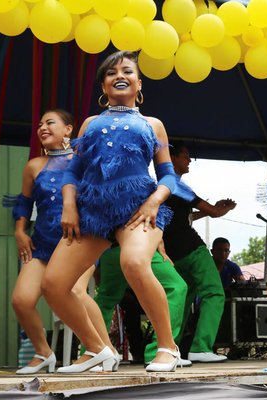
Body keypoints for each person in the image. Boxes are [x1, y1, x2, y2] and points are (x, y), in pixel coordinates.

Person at [41, 51, 180, 373]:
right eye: (111, 72)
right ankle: (97, 350)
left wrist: (154, 201)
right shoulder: (91, 123)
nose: (120, 74)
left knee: (133, 262)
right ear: (103, 85)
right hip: (93, 211)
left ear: (139, 83)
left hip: (140, 209)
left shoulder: (152, 124)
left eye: (127, 70)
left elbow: (169, 175)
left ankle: (168, 347)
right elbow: (73, 172)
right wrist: (70, 205)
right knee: (54, 284)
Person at [12, 109, 119, 374]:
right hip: (42, 244)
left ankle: (106, 350)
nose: (42, 128)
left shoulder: (84, 162)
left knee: (76, 292)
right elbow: (24, 203)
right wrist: (19, 231)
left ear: (69, 129)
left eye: (50, 123)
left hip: (77, 242)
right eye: (39, 124)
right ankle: (44, 353)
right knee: (21, 300)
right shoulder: (33, 166)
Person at [162, 142, 236, 363]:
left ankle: (168, 348)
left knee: (181, 298)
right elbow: (213, 212)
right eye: (185, 156)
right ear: (172, 158)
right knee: (214, 292)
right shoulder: (175, 183)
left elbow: (183, 219)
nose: (189, 160)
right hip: (192, 249)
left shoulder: (160, 185)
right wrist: (224, 208)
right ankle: (201, 347)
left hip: (173, 254)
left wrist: (212, 208)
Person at [94, 245, 190, 367]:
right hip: (136, 244)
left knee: (106, 298)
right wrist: (158, 241)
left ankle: (94, 350)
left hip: (109, 248)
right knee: (176, 287)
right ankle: (160, 351)